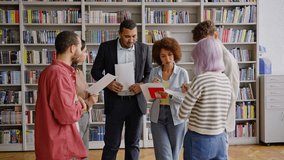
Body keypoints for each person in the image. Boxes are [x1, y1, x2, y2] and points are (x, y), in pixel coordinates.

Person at [91, 19, 152, 160]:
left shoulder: (144, 48)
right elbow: (95, 71)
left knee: (133, 144)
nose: (131, 40)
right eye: (127, 36)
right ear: (119, 34)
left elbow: (149, 73)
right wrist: (108, 83)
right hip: (115, 102)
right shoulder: (106, 47)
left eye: (134, 36)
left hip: (136, 103)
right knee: (112, 144)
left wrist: (141, 85)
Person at [35, 31, 88, 160]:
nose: (82, 52)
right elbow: (66, 115)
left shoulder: (48, 71)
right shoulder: (60, 75)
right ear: (72, 48)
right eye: (80, 47)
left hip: (50, 142)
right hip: (60, 146)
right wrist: (80, 105)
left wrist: (75, 100)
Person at [179, 37, 232, 160]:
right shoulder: (225, 80)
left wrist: (189, 94)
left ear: (201, 59)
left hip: (199, 139)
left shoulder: (200, 80)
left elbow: (182, 113)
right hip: (220, 138)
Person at [192, 20, 240, 148]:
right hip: (205, 123)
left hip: (219, 124)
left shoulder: (228, 60)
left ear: (216, 36)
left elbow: (231, 95)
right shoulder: (206, 57)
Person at [149, 37, 189, 160]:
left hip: (176, 117)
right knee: (164, 156)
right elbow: (150, 98)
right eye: (163, 56)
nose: (167, 59)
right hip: (158, 116)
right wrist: (153, 89)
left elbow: (185, 100)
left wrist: (170, 95)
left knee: (174, 154)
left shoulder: (182, 73)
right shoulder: (154, 72)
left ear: (175, 54)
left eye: (170, 55)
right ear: (158, 57)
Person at [72, 39, 98, 158]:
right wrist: (90, 101)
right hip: (78, 117)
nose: (86, 54)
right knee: (74, 152)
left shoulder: (79, 72)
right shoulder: (68, 75)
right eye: (84, 51)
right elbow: (73, 102)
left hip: (85, 116)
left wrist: (92, 94)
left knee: (84, 152)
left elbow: (84, 92)